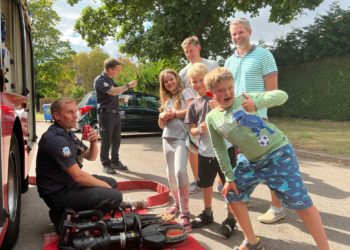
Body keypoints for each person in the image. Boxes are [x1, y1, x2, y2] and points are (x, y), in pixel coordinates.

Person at [205, 67, 329, 250]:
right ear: (211, 93)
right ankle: (252, 242)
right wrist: (229, 178)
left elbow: (282, 95)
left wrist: (256, 103)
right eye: (220, 90)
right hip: (250, 162)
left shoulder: (244, 99)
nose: (227, 93)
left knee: (301, 204)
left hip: (278, 155)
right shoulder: (212, 118)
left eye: (230, 87)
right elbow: (219, 148)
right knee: (232, 193)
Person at [36, 98, 146, 232]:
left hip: (67, 183)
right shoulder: (55, 140)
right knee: (114, 196)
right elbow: (78, 176)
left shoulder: (68, 134)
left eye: (75, 111)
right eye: (70, 112)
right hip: (58, 193)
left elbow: (90, 156)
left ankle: (74, 211)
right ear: (56, 116)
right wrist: (106, 189)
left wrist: (94, 141)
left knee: (111, 182)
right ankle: (65, 216)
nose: (75, 115)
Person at [225, 18, 284, 223]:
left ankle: (277, 208)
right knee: (243, 162)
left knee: (269, 164)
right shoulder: (229, 61)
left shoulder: (264, 55)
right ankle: (246, 196)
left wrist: (256, 106)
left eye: (240, 32)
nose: (237, 36)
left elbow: (273, 93)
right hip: (236, 121)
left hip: (257, 120)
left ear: (249, 32)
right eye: (233, 34)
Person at [184, 63, 237, 238]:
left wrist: (218, 110)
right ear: (190, 84)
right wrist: (199, 130)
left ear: (208, 80)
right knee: (206, 185)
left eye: (201, 80)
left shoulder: (218, 99)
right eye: (194, 81)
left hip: (225, 151)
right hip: (204, 152)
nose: (198, 84)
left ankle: (231, 218)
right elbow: (190, 130)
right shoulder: (192, 105)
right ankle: (207, 213)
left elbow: (230, 118)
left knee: (229, 186)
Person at [179, 35, 220, 194]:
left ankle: (221, 180)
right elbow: (183, 93)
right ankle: (198, 180)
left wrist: (218, 104)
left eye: (191, 50)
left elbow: (219, 84)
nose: (189, 54)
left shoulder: (212, 64)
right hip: (195, 112)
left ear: (198, 48)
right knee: (193, 148)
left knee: (217, 144)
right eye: (186, 52)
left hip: (214, 109)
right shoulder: (183, 72)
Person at [158, 69, 195, 232]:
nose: (169, 83)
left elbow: (193, 110)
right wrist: (161, 118)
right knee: (170, 173)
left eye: (171, 79)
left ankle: (185, 212)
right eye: (166, 82)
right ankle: (177, 204)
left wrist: (175, 113)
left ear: (176, 79)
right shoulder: (167, 99)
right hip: (167, 138)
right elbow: (162, 126)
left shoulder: (186, 92)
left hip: (181, 138)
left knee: (180, 171)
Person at [94, 58, 137, 174]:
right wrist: (127, 85)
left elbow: (116, 94)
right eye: (117, 70)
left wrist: (125, 99)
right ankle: (106, 164)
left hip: (115, 114)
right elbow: (112, 92)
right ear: (110, 69)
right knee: (106, 140)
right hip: (106, 114)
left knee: (116, 140)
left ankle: (115, 161)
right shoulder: (100, 80)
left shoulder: (111, 81)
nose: (119, 72)